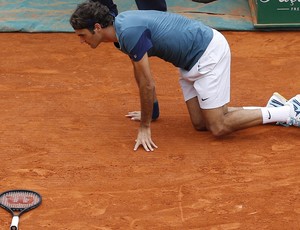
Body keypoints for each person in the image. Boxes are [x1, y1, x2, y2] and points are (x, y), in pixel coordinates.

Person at [69, 1, 300, 152]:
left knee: (218, 126)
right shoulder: (120, 35)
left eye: (81, 35)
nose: (81, 41)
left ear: (97, 27)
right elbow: (140, 76)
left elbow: (148, 84)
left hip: (208, 52)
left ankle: (289, 111)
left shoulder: (128, 31)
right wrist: (155, 111)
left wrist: (146, 127)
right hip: (188, 63)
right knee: (201, 124)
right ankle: (273, 108)